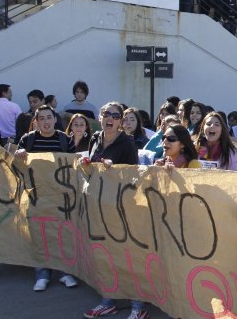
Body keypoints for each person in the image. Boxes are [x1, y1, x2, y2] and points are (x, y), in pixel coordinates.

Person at [81, 102, 143, 319]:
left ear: (121, 121)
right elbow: (90, 172)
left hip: (122, 207)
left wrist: (114, 170)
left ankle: (138, 308)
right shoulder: (95, 138)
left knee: (128, 257)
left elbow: (134, 176)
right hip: (99, 205)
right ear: (100, 116)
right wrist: (86, 163)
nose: (111, 118)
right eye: (107, 114)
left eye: (116, 116)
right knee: (105, 256)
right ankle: (108, 301)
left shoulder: (127, 143)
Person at [13, 106, 77, 292]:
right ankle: (42, 274)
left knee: (62, 234)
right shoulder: (28, 139)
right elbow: (17, 168)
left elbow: (72, 168)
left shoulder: (65, 140)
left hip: (60, 196)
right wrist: (19, 156)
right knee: (39, 235)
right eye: (42, 118)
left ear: (55, 120)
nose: (46, 121)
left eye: (49, 117)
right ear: (36, 121)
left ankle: (65, 272)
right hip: (36, 197)